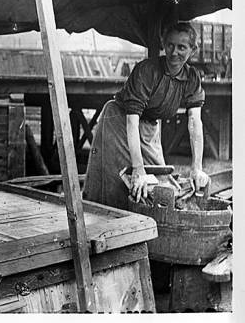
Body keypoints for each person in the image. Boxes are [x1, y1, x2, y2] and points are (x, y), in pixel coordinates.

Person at [83, 22, 210, 210]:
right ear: (164, 44)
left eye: (182, 47)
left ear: (193, 49)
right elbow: (132, 121)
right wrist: (138, 169)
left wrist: (196, 167)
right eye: (170, 45)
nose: (174, 52)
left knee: (160, 182)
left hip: (150, 125)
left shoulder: (192, 77)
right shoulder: (146, 70)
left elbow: (194, 122)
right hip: (119, 120)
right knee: (117, 179)